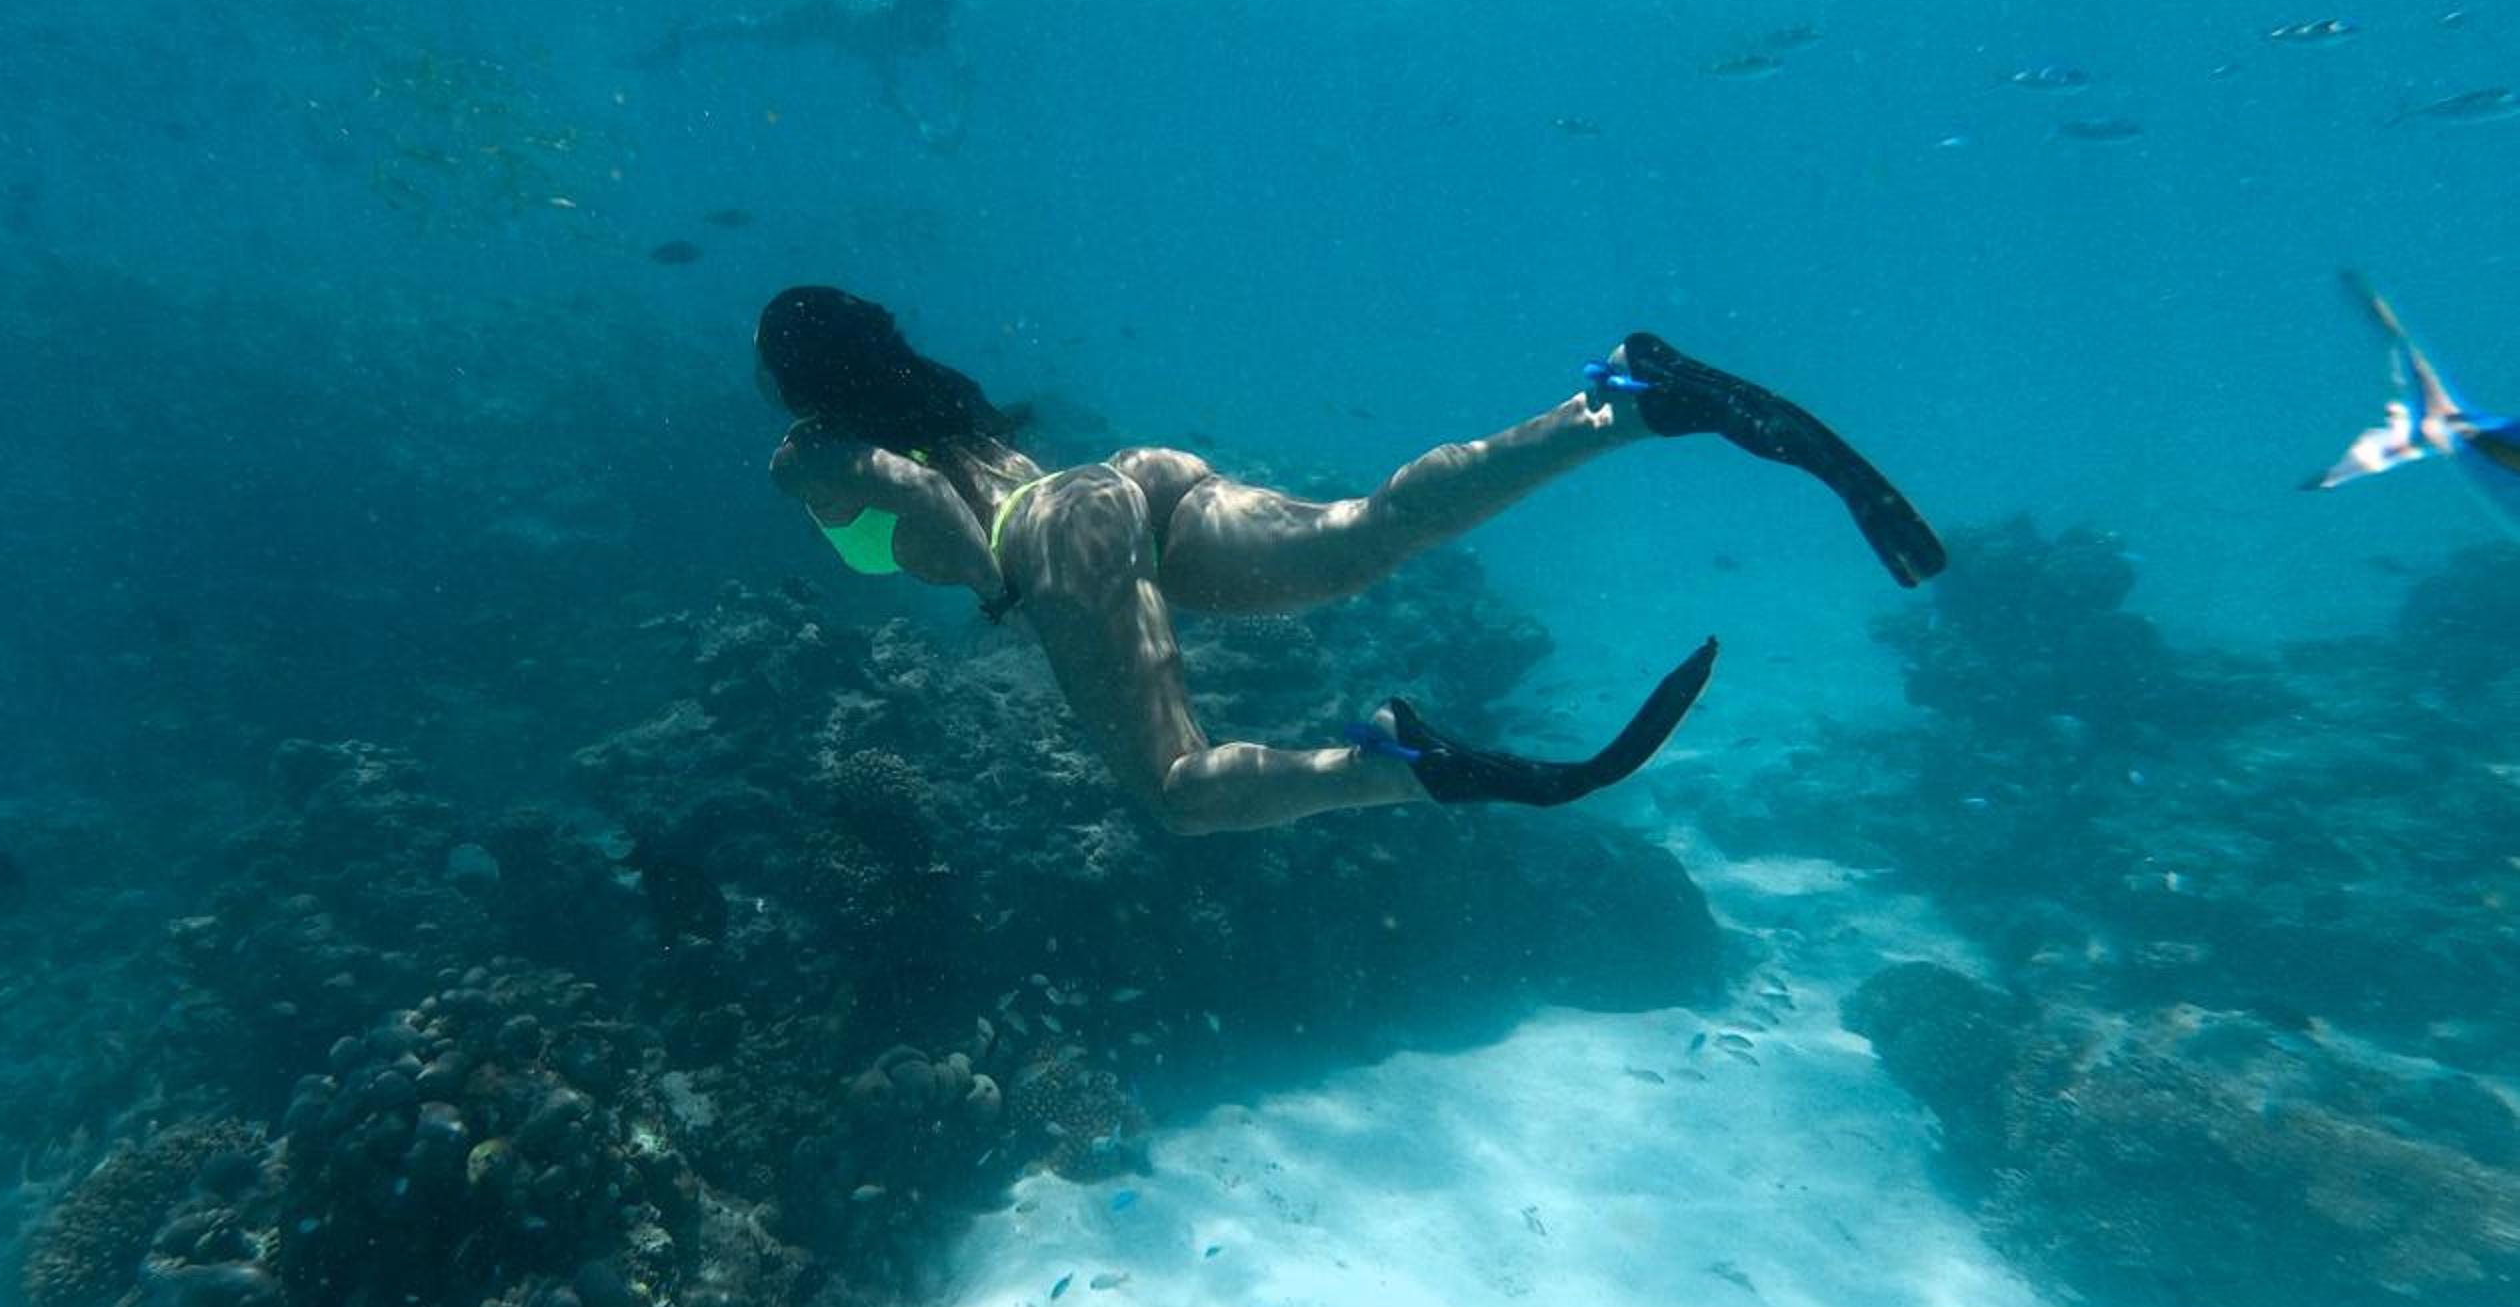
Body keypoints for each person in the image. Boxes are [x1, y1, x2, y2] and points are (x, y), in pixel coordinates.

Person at [756, 285, 1945, 836]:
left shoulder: (811, 455)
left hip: (1056, 537)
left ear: (792, 379)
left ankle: (1393, 766)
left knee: (1178, 791)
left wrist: (991, 588)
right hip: (1130, 482)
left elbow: (915, 495)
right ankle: (1622, 404)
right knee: (1366, 536)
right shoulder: (939, 400)